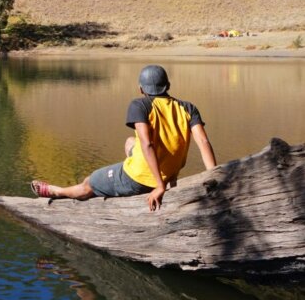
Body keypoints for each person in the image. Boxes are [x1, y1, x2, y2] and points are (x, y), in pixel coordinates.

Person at [30, 65, 217, 212]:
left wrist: (160, 187)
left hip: (141, 179)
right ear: (168, 86)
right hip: (169, 172)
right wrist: (215, 174)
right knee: (130, 142)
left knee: (90, 182)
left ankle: (57, 191)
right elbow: (203, 142)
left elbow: (147, 143)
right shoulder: (188, 107)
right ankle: (140, 169)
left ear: (141, 89)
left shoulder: (140, 105)